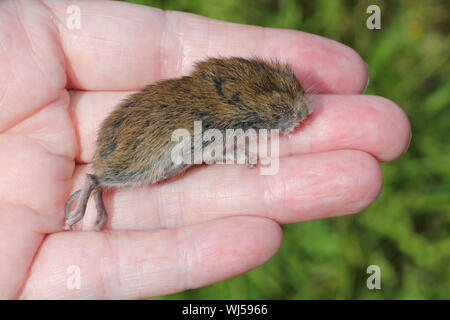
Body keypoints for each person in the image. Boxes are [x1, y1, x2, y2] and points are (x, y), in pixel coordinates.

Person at [0, 0, 410, 299]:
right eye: (279, 111)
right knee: (139, 171)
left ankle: (96, 185)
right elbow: (213, 141)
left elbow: (212, 144)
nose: (297, 113)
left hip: (146, 130)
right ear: (232, 97)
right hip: (137, 148)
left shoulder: (219, 94)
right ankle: (94, 186)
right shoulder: (212, 111)